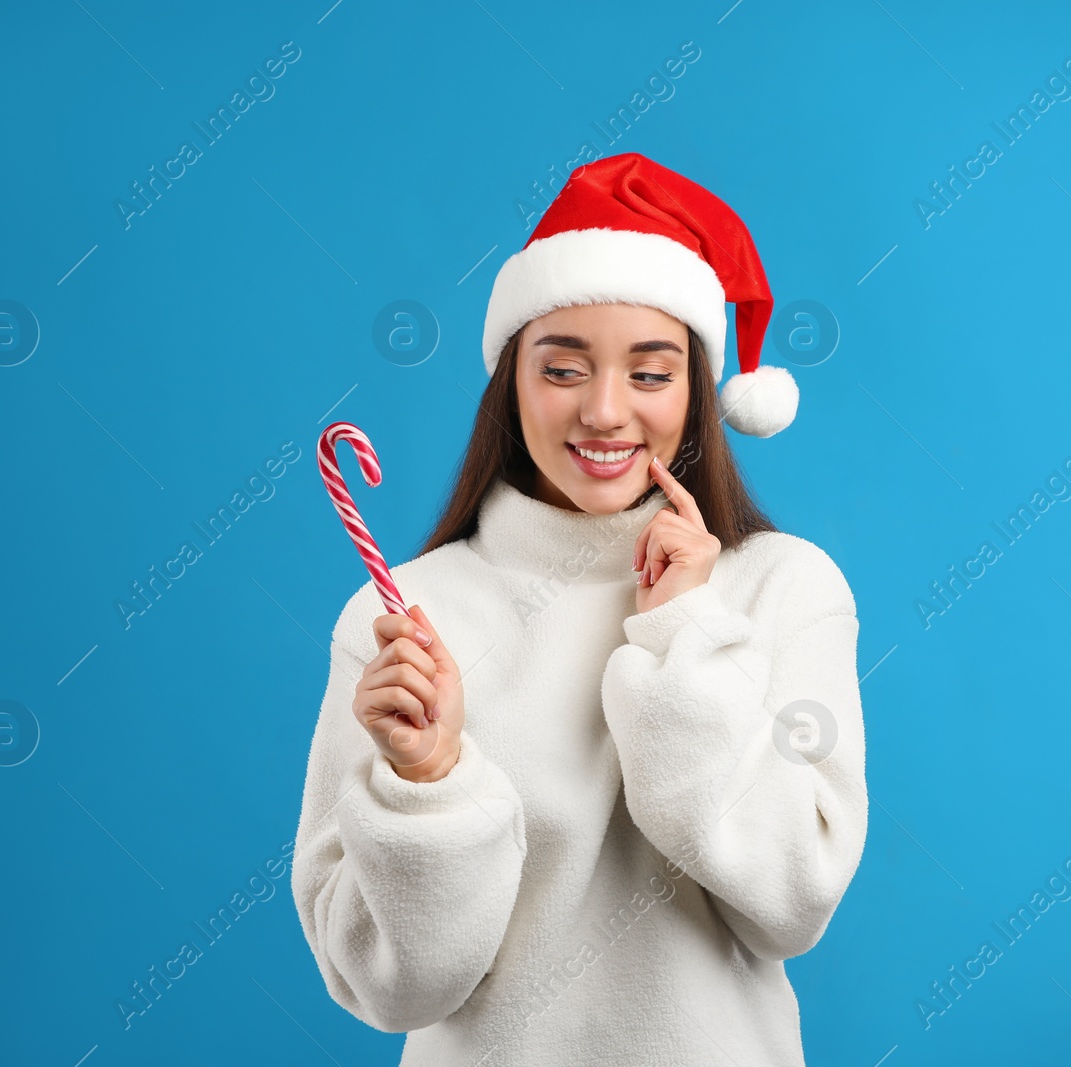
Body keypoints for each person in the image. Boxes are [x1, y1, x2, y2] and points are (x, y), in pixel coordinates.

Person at [292, 152, 867, 1065]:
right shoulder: (405, 619)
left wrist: (685, 636)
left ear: (698, 394)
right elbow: (391, 988)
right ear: (510, 382)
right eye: (563, 369)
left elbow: (793, 902)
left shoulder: (783, 588)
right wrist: (426, 781)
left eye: (650, 374)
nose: (605, 412)